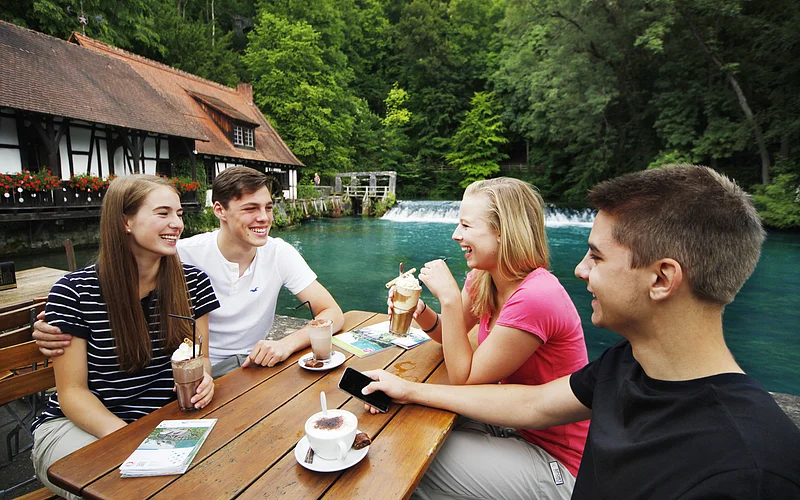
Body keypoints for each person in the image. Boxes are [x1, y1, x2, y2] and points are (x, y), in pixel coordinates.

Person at [366, 165, 800, 499]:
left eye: (596, 256)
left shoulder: (752, 471)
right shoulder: (624, 365)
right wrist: (409, 392)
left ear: (662, 279)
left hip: (552, 468)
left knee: (404, 459)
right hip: (534, 447)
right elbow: (535, 402)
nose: (579, 270)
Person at [34, 166, 344, 378]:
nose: (263, 218)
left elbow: (332, 311)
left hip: (251, 366)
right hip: (195, 371)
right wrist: (51, 325)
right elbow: (111, 282)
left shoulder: (278, 253)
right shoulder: (180, 254)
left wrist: (285, 343)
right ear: (219, 211)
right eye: (250, 208)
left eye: (268, 207)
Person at [390, 177, 588, 499]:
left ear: (502, 232)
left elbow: (463, 377)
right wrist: (422, 311)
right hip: (517, 426)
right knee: (414, 422)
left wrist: (450, 299)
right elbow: (449, 336)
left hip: (558, 462)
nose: (457, 235)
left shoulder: (536, 296)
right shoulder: (485, 276)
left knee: (414, 454)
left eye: (466, 225)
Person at [30, 175, 219, 499]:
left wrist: (205, 380)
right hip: (79, 425)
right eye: (163, 213)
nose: (176, 224)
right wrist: (129, 439)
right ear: (125, 221)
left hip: (163, 421)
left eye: (179, 214)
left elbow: (198, 357)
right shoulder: (75, 292)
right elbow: (72, 392)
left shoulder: (193, 283)